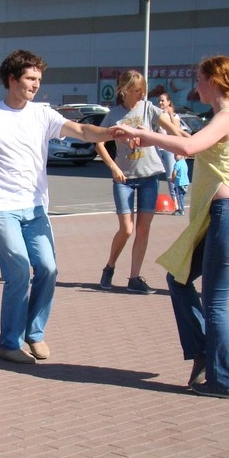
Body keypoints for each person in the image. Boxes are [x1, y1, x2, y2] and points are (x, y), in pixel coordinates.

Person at [109, 55, 229, 399]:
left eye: (199, 79)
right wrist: (157, 132)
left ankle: (225, 381)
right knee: (178, 278)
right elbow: (189, 141)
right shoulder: (225, 118)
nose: (195, 85)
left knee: (215, 303)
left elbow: (187, 147)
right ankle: (203, 353)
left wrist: (145, 134)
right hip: (220, 217)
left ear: (214, 81)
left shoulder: (228, 117)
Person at [0, 49, 116, 364]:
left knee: (48, 268)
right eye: (30, 78)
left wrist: (112, 132)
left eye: (39, 80)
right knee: (18, 271)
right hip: (2, 209)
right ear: (12, 79)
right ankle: (9, 343)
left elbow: (83, 131)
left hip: (35, 209)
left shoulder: (43, 114)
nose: (35, 85)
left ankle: (34, 332)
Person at [95, 70, 182, 294]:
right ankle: (109, 266)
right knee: (126, 228)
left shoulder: (148, 109)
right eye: (136, 90)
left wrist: (185, 145)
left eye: (142, 89)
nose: (141, 93)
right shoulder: (114, 115)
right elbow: (99, 143)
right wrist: (113, 167)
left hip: (149, 175)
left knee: (143, 230)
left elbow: (174, 131)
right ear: (124, 90)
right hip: (124, 177)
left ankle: (134, 277)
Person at [157, 92, 182, 202]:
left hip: (169, 149)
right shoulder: (157, 114)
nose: (160, 103)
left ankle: (176, 202)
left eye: (162, 100)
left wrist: (170, 114)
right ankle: (153, 201)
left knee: (171, 177)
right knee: (154, 175)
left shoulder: (175, 116)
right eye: (159, 100)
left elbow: (176, 130)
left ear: (169, 102)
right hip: (157, 148)